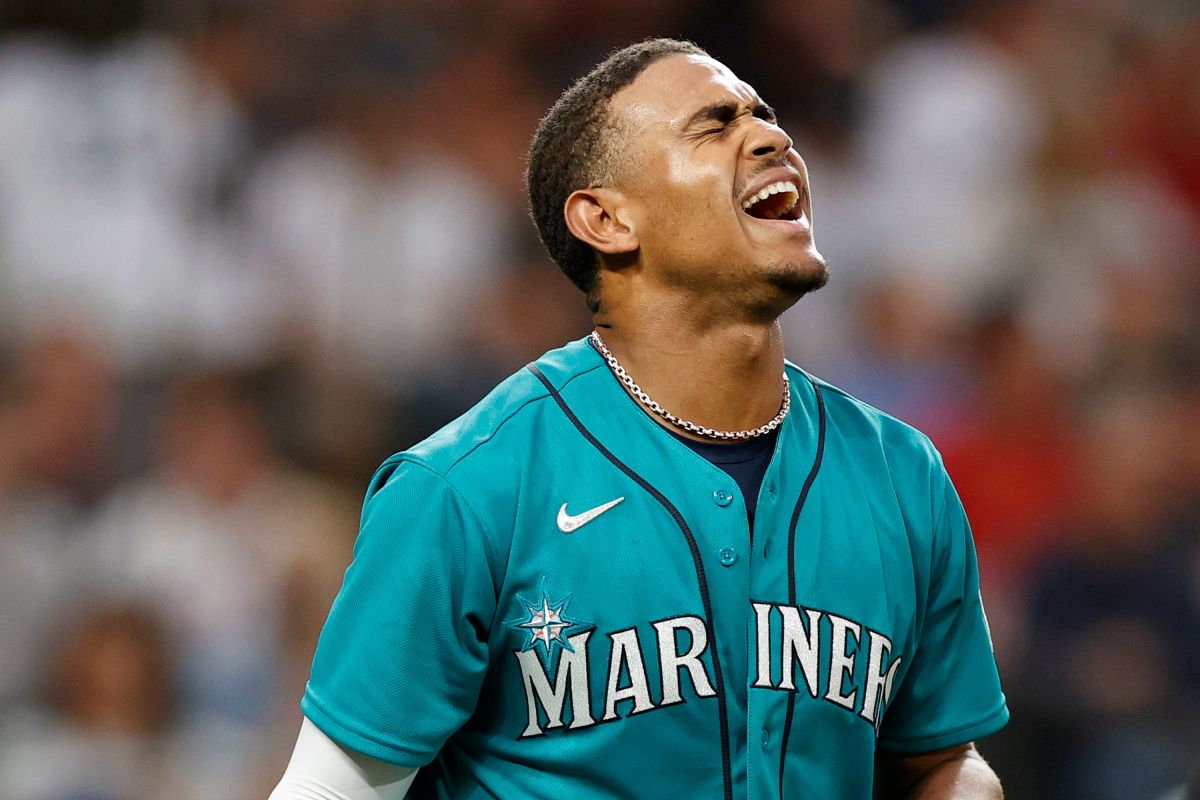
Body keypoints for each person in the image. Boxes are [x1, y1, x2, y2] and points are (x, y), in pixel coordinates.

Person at [269, 38, 1008, 799]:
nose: (772, 136)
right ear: (607, 219)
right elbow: (332, 791)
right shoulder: (468, 488)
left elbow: (941, 756)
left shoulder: (901, 473)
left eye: (766, 115)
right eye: (714, 126)